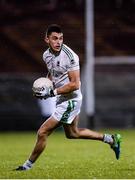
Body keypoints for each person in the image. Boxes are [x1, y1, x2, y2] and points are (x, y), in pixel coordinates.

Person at [16, 24, 122, 171]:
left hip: (71, 99)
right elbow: (53, 74)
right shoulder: (46, 55)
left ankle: (26, 166)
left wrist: (52, 93)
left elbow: (75, 84)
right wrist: (46, 87)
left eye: (61, 38)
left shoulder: (70, 56)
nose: (58, 42)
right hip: (62, 97)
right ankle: (111, 139)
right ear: (47, 39)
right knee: (73, 133)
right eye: (55, 38)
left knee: (43, 132)